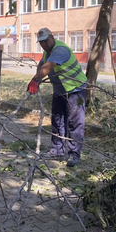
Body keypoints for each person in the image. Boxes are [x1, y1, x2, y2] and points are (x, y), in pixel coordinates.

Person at [27, 28, 88, 167]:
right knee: (58, 120)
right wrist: (38, 77)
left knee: (75, 123)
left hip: (75, 89)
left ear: (52, 37)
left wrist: (35, 80)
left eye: (46, 41)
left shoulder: (60, 50)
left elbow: (49, 65)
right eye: (41, 42)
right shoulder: (47, 51)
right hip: (60, 90)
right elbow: (42, 63)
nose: (44, 44)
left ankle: (74, 155)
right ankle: (57, 151)